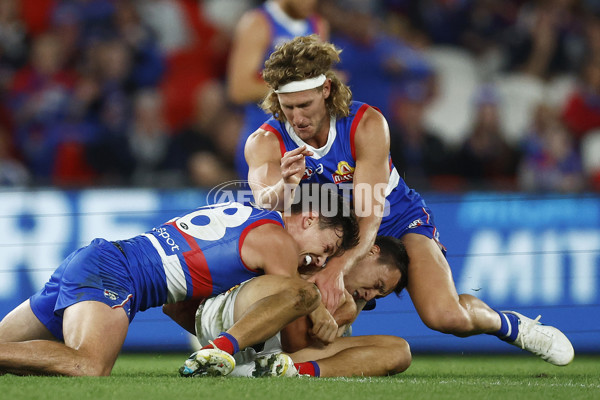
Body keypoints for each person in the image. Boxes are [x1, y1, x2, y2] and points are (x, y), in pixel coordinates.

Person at [244, 35, 575, 366]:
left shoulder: (366, 124)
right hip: (333, 233)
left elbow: (370, 214)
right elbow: (264, 201)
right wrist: (286, 186)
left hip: (395, 218)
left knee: (445, 317)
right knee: (314, 317)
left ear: (326, 90)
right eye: (288, 108)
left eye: (305, 106)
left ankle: (512, 326)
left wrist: (336, 270)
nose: (297, 118)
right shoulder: (265, 142)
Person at [0, 190, 359, 376]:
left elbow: (175, 305)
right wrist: (320, 310)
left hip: (100, 259)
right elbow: (292, 317)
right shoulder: (277, 241)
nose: (320, 262)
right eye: (326, 249)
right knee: (88, 366)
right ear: (309, 218)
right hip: (115, 272)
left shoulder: (254, 217)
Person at [167, 236, 411, 378]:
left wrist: (344, 313)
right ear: (370, 251)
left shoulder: (352, 303)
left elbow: (306, 342)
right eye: (377, 283)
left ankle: (287, 372)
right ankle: (220, 348)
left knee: (400, 351)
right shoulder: (319, 251)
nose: (371, 294)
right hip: (242, 318)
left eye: (380, 294)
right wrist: (321, 306)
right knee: (302, 292)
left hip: (276, 353)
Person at [227, 0, 328, 180]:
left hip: (307, 145)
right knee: (270, 206)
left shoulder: (318, 24)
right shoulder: (257, 23)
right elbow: (239, 89)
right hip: (266, 143)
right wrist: (299, 84)